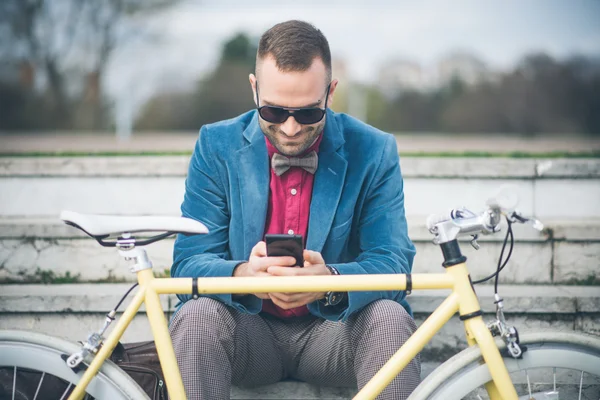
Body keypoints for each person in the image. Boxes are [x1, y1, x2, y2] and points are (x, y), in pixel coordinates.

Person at [169, 20, 420, 400]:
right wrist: (243, 275)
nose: (288, 128)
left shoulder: (374, 150)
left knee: (389, 319)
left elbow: (393, 260)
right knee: (196, 318)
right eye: (273, 112)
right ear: (254, 88)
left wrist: (329, 281)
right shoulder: (216, 145)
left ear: (331, 93)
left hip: (335, 333)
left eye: (306, 114)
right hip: (247, 331)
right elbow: (188, 262)